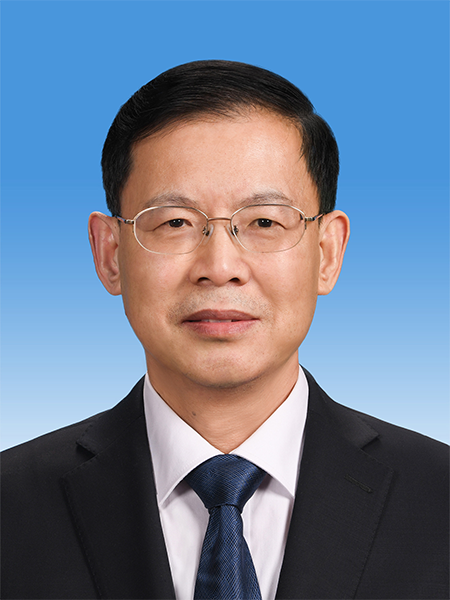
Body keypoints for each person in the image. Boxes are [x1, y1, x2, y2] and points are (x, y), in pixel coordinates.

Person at [1, 60, 448, 600]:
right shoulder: (12, 504)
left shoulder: (439, 498)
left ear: (328, 253)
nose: (220, 267)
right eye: (175, 222)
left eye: (264, 222)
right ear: (110, 254)